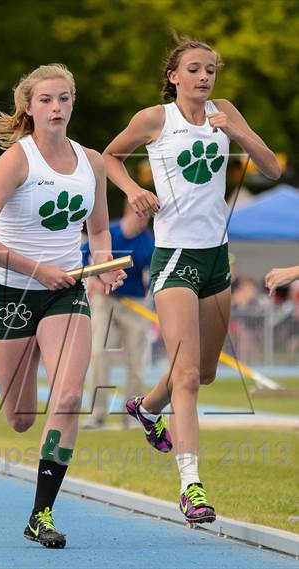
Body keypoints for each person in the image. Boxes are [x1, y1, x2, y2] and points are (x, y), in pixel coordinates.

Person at [103, 37, 281, 525]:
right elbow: (108, 157)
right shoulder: (154, 119)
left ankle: (144, 408)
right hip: (174, 257)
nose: (205, 77)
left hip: (215, 260)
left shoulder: (225, 112)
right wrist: (135, 190)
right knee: (185, 377)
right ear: (174, 77)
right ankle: (191, 486)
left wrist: (240, 135)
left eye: (211, 70)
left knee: (203, 372)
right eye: (195, 70)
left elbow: (273, 167)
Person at [0, 63, 126, 549]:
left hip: (66, 291)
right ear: (28, 109)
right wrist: (35, 268)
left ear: (74, 103)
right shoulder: (17, 160)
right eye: (46, 100)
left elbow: (97, 231)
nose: (56, 108)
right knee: (21, 419)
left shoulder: (92, 162)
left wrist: (103, 264)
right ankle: (26, 354)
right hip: (11, 292)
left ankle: (41, 514)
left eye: (64, 99)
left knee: (71, 397)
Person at [81, 201, 166, 433]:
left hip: (134, 303)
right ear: (130, 212)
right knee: (99, 353)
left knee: (136, 360)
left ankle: (133, 414)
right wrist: (92, 280)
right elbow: (84, 255)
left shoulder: (148, 242)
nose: (143, 220)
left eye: (147, 217)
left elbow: (155, 272)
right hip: (105, 299)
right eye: (140, 214)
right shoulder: (111, 234)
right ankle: (97, 414)